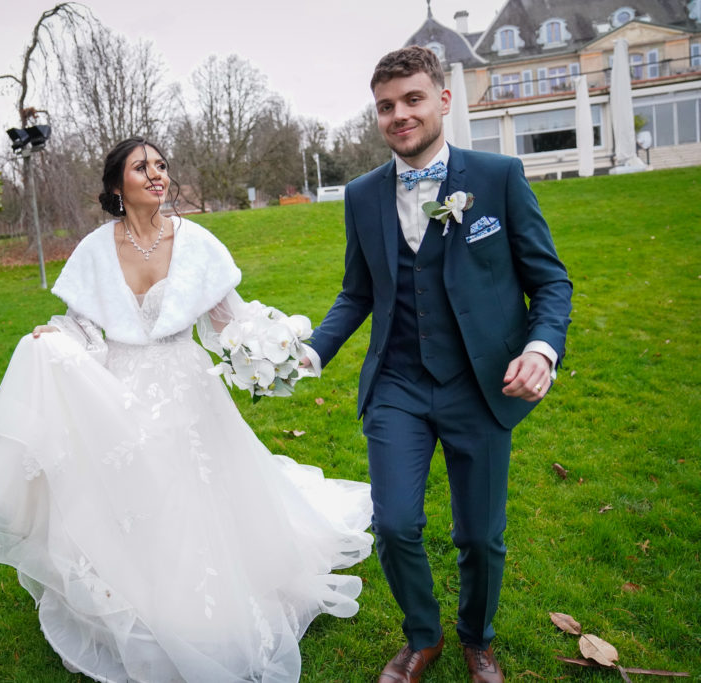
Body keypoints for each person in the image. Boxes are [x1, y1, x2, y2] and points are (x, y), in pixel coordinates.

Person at [0, 136, 374, 683]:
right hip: (119, 387)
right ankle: (137, 590)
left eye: (161, 166)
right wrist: (51, 337)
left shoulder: (197, 243)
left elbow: (228, 320)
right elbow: (82, 326)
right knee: (135, 495)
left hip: (187, 383)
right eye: (141, 167)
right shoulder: (95, 249)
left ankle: (204, 598)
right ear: (115, 185)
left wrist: (268, 347)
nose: (157, 175)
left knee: (193, 490)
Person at [303, 47, 572, 683]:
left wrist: (540, 348)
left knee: (479, 537)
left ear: (443, 100)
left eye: (412, 100)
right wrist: (315, 348)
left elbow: (551, 282)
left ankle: (478, 638)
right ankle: (422, 636)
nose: (399, 115)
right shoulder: (364, 195)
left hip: (480, 384)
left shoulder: (498, 178)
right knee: (395, 524)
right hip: (397, 383)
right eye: (386, 106)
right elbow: (358, 291)